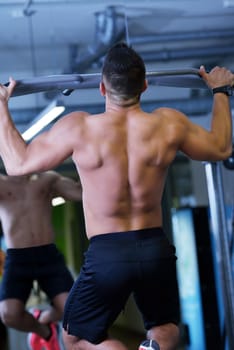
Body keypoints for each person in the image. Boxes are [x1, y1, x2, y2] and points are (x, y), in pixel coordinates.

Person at [0, 42, 233, 350]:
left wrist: (2, 106)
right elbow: (220, 147)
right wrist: (220, 92)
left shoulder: (80, 128)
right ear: (145, 85)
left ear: (101, 88)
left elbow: (17, 164)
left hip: (107, 254)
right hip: (154, 247)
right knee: (165, 328)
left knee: (76, 337)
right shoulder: (168, 124)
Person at [0, 171, 82, 350]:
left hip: (48, 256)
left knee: (72, 311)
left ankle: (45, 317)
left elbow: (79, 193)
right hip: (17, 259)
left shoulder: (48, 179)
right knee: (9, 314)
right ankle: (45, 332)